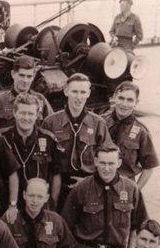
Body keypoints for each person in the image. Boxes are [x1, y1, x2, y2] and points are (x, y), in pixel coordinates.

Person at [42, 73, 111, 210]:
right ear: (66, 91)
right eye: (74, 91)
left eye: (83, 92)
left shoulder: (98, 123)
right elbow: (43, 160)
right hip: (59, 185)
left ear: (89, 93)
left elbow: (107, 159)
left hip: (89, 184)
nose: (78, 97)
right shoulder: (51, 122)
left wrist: (93, 181)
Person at [0, 93, 61, 200]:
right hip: (9, 201)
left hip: (37, 201)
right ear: (14, 113)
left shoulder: (48, 139)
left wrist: (52, 203)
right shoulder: (2, 139)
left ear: (37, 115)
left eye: (30, 114)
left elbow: (56, 174)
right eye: (22, 113)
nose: (26, 118)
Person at [103, 81, 159, 189]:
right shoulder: (100, 123)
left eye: (130, 100)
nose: (124, 104)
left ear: (136, 102)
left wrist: (135, 192)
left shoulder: (141, 132)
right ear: (114, 97)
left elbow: (148, 168)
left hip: (124, 187)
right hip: (98, 186)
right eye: (121, 98)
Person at [0, 56, 53, 131]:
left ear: (33, 77)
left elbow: (52, 125)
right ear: (13, 74)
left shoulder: (40, 100)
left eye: (29, 76)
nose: (25, 80)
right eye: (21, 75)